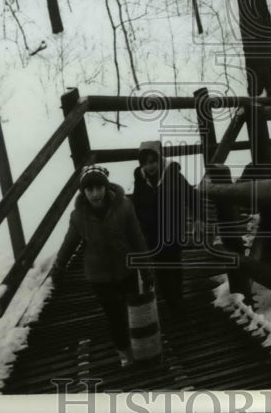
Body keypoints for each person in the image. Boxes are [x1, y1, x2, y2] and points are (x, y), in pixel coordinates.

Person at [50, 164, 149, 367]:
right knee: (114, 315)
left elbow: (136, 237)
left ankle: (138, 345)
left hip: (126, 269)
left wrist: (146, 268)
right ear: (83, 192)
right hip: (99, 276)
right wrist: (59, 267)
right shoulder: (78, 217)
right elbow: (69, 243)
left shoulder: (124, 207)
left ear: (106, 187)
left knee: (131, 310)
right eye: (89, 189)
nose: (95, 194)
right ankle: (124, 351)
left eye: (99, 188)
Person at [132, 140, 203, 318]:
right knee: (160, 268)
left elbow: (192, 196)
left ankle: (177, 302)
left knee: (174, 266)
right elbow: (137, 206)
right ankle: (169, 301)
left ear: (160, 158)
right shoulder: (140, 180)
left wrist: (198, 219)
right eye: (145, 163)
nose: (149, 166)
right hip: (152, 235)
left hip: (173, 231)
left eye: (152, 161)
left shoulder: (173, 175)